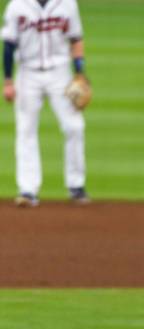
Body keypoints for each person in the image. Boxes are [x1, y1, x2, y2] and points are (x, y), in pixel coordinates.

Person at [2, 0, 90, 207]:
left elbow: (76, 39)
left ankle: (76, 186)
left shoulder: (67, 4)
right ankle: (28, 189)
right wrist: (8, 81)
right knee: (25, 130)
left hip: (61, 74)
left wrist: (80, 73)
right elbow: (8, 45)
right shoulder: (17, 6)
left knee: (74, 126)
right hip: (27, 74)